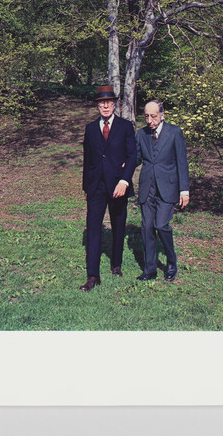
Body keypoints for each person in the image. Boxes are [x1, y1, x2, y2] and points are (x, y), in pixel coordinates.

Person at [79, 85, 137, 292]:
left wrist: (125, 180)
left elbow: (133, 157)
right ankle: (93, 275)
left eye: (108, 102)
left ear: (114, 104)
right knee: (94, 228)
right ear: (97, 106)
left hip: (118, 185)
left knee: (118, 225)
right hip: (96, 187)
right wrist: (87, 186)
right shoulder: (90, 128)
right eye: (101, 102)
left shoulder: (126, 126)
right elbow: (87, 160)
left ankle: (116, 264)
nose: (105, 105)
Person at [135, 100, 189, 281]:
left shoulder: (175, 133)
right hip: (147, 188)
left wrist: (184, 190)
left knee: (161, 225)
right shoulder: (141, 134)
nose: (149, 120)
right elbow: (135, 158)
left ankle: (171, 262)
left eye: (153, 116)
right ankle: (150, 270)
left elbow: (182, 163)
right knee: (147, 228)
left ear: (162, 115)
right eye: (147, 116)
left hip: (167, 188)